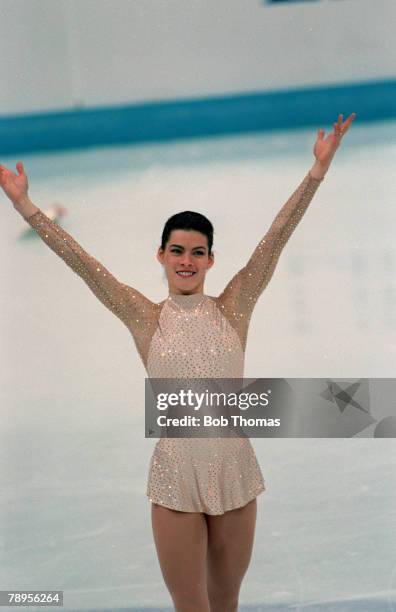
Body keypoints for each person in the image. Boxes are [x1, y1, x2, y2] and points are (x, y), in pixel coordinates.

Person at [0, 112, 355, 612]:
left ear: (211, 259)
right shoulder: (146, 319)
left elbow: (276, 238)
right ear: (161, 256)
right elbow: (84, 265)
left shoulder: (234, 308)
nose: (186, 260)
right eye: (176, 250)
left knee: (226, 601)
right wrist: (25, 206)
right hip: (175, 481)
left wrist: (317, 172)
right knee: (191, 605)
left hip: (235, 472)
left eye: (197, 252)